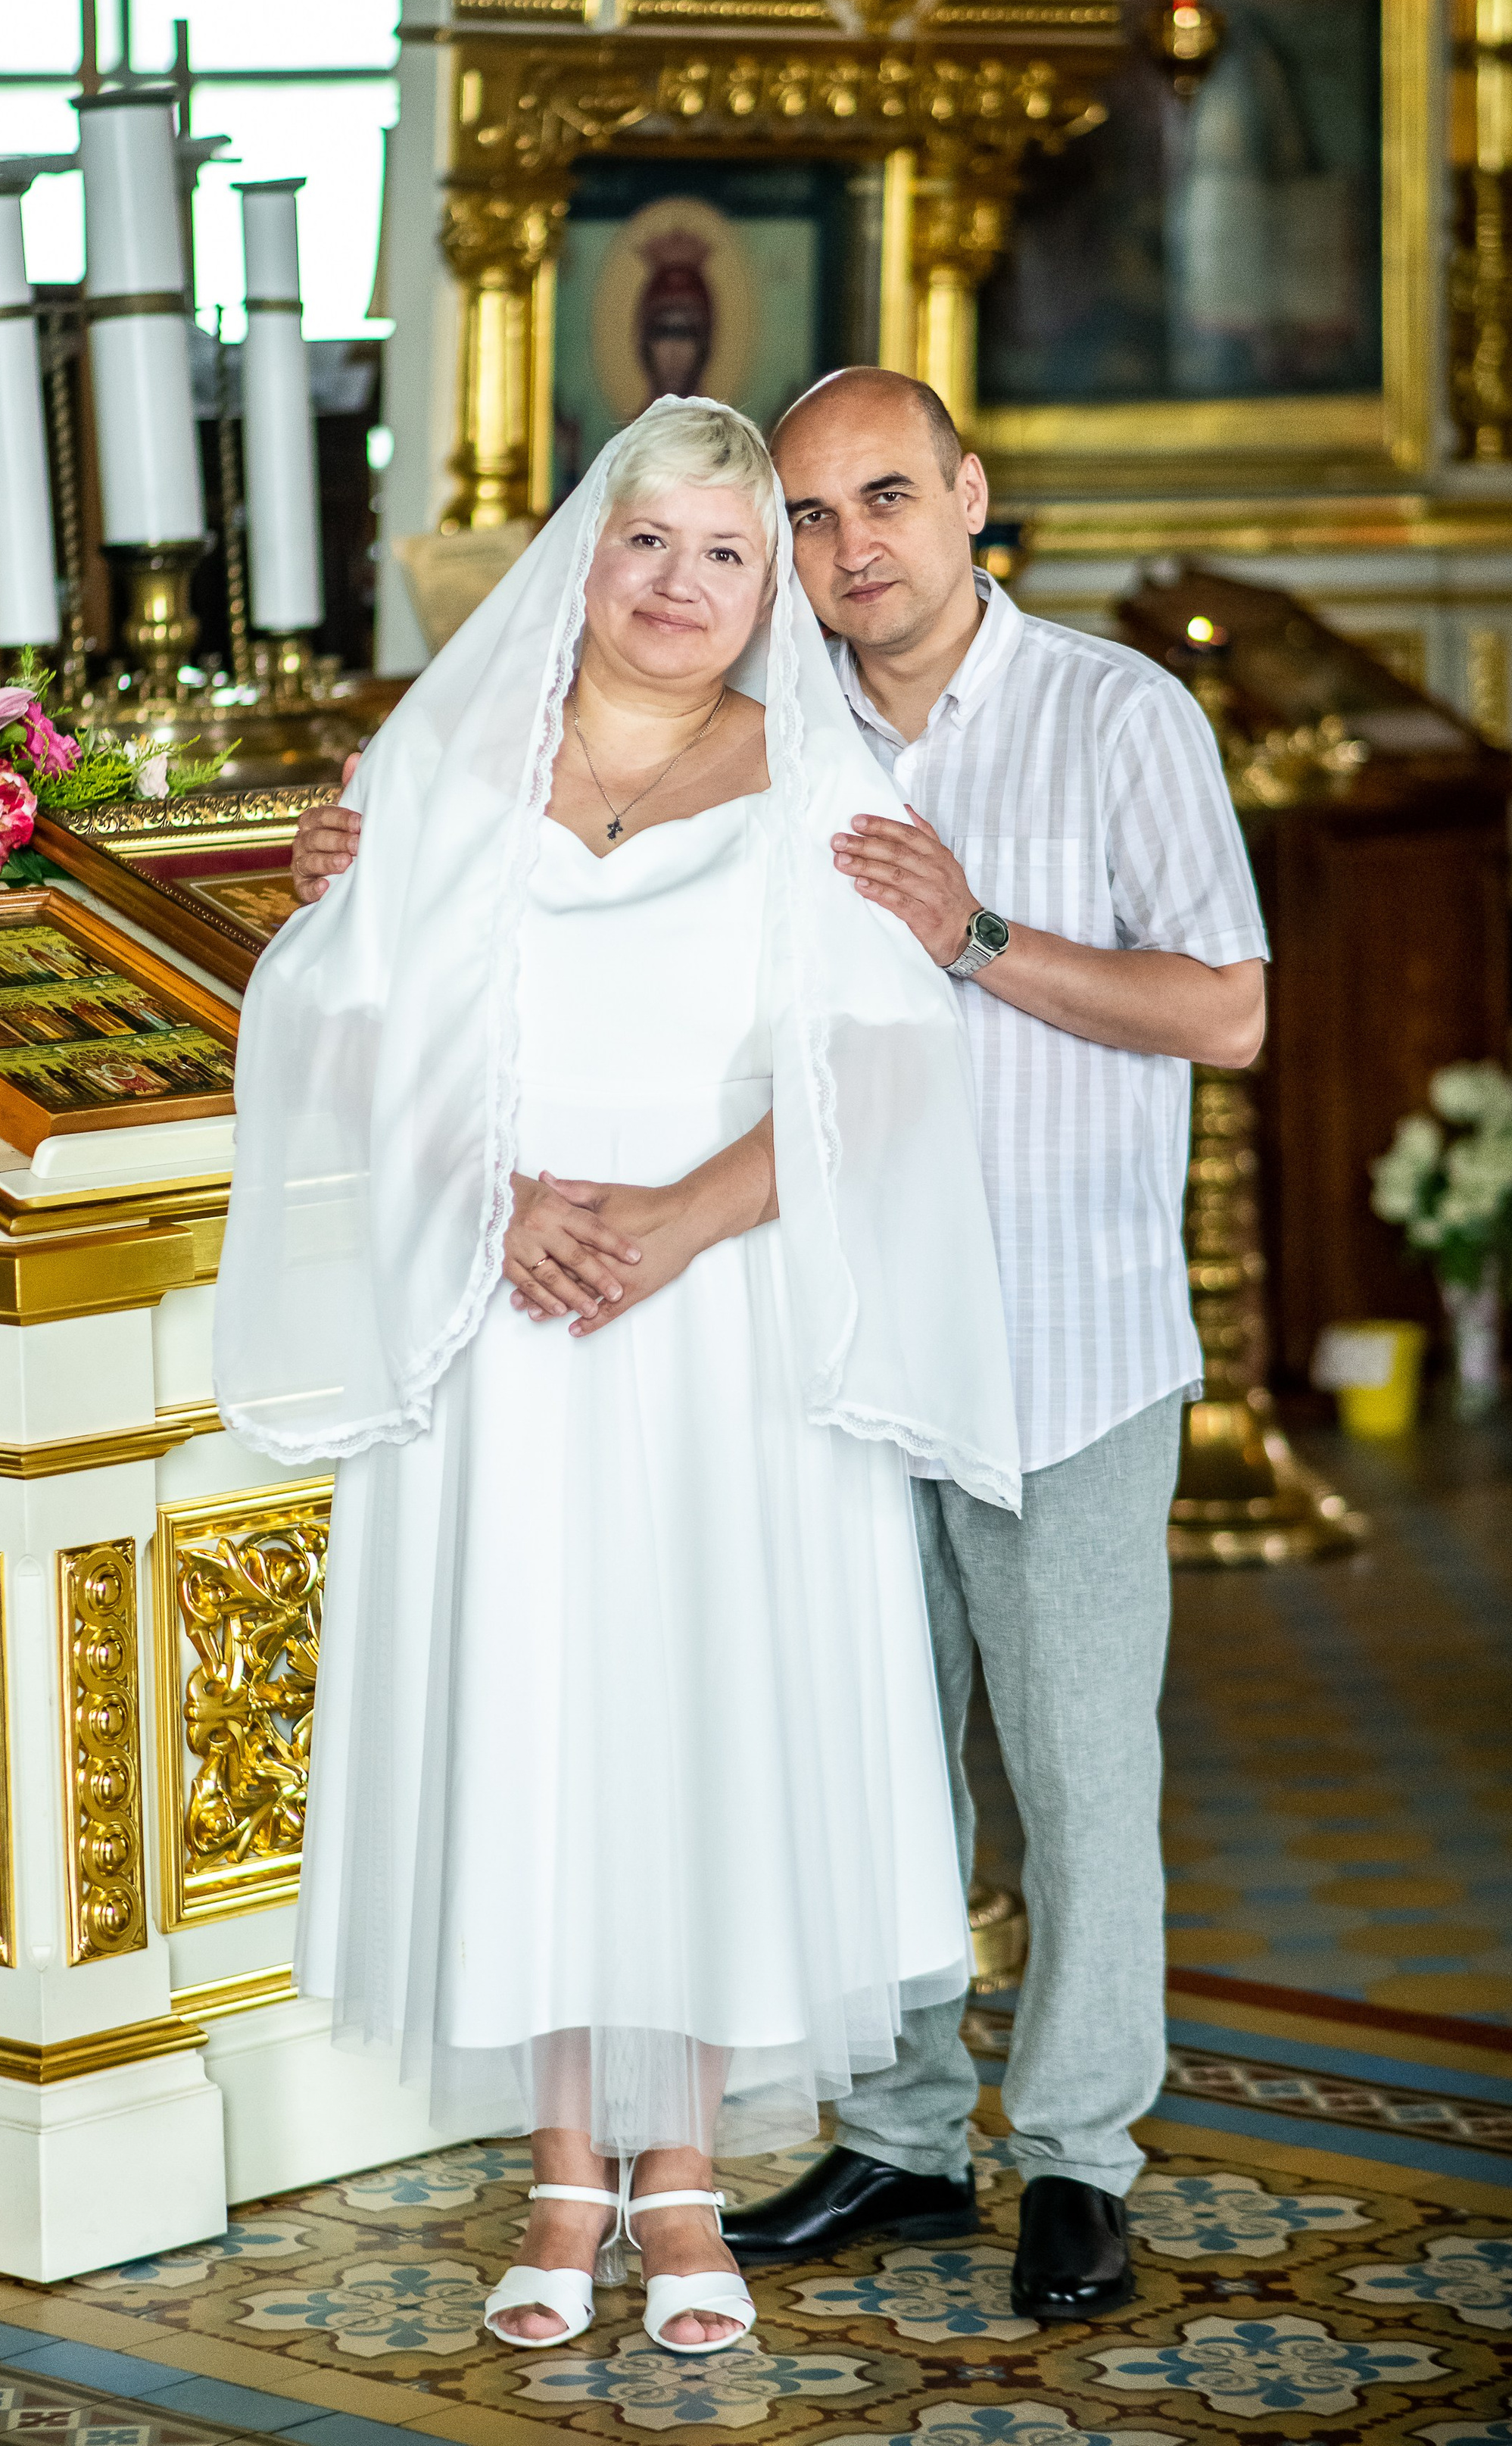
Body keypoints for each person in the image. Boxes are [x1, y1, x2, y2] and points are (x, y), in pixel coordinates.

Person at [288, 366, 1269, 2328]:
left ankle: (1076, 2157)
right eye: (803, 523)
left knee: (1074, 1773)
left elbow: (1229, 1012)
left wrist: (978, 937)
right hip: (815, 1329)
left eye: (881, 500)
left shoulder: (1112, 713)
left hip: (1055, 1323)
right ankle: (901, 2134)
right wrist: (364, 884)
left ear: (968, 494)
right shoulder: (789, 730)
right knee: (863, 1753)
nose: (851, 548)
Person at [219, 395, 1020, 2358]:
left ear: (773, 595)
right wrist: (485, 1208)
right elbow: (347, 1036)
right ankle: (563, 2159)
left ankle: (682, 2180)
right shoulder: (432, 771)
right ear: (585, 556)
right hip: (499, 1323)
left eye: (730, 556)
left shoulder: (823, 779)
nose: (682, 587)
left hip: (717, 1316)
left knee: (706, 1722)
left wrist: (672, 1219)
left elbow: (883, 1073)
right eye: (651, 543)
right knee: (546, 1717)